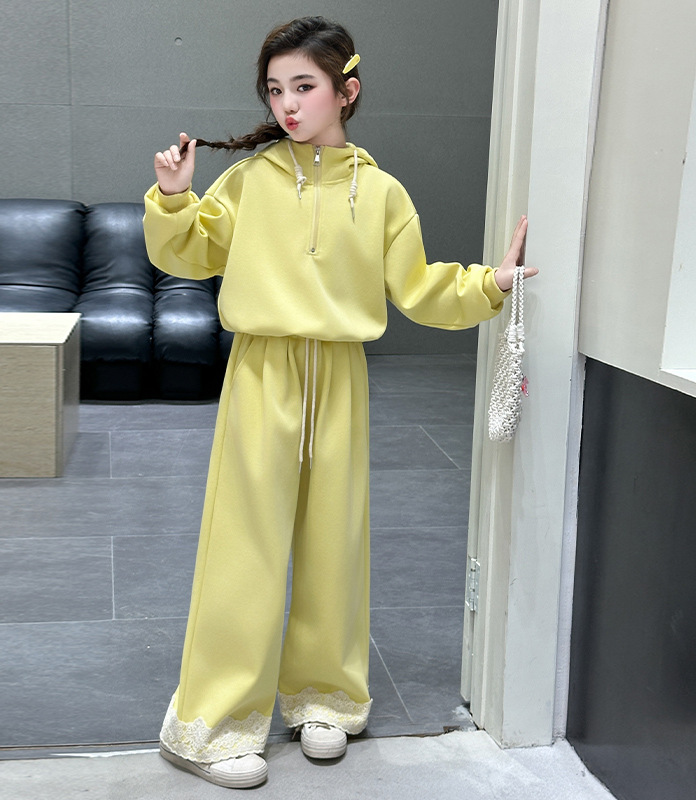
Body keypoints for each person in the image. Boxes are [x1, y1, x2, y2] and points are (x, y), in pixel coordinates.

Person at [143, 15, 536, 789]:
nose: (287, 104)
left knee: (335, 544)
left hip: (342, 376)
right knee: (244, 548)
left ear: (346, 91)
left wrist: (490, 284)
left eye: (305, 86)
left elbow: (418, 287)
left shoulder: (381, 193)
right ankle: (212, 726)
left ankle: (324, 697)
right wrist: (174, 198)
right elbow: (188, 254)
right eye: (275, 89)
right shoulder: (249, 180)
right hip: (262, 372)